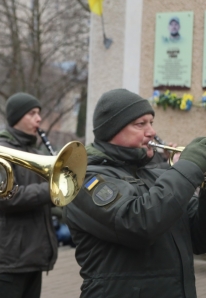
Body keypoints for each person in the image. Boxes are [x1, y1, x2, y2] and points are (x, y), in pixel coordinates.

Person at [64, 88, 206, 297]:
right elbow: (139, 223)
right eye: (140, 124)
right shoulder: (86, 179)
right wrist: (188, 167)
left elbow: (199, 238)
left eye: (151, 123)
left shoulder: (156, 173)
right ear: (112, 130)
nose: (151, 132)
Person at [0, 92, 58, 298]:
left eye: (39, 113)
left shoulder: (35, 151)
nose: (39, 118)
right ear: (17, 117)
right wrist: (53, 190)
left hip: (34, 254)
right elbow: (5, 197)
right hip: (11, 257)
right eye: (32, 113)